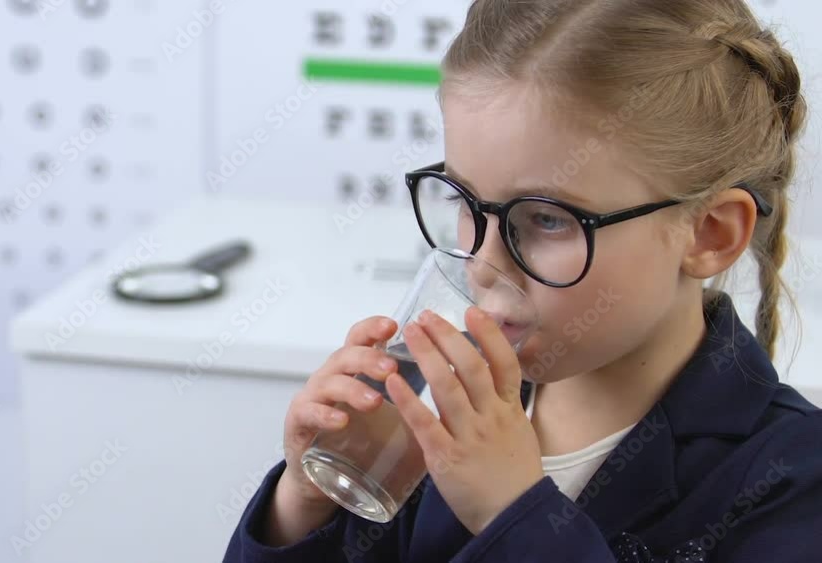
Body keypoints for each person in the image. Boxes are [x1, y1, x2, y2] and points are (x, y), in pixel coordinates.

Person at [224, 0, 821, 561]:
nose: (482, 263)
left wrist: (514, 513)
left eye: (546, 219)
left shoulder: (792, 479)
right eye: (466, 200)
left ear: (710, 234)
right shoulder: (431, 416)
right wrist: (303, 510)